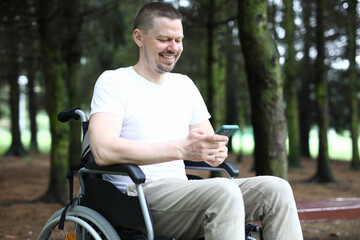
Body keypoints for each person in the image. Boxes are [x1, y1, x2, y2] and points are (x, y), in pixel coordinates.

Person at [89, 2, 303, 240]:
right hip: (136, 196)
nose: (173, 48)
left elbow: (206, 143)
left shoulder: (184, 85)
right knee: (223, 191)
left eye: (178, 40)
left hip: (183, 191)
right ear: (139, 37)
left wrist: (214, 151)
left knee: (277, 189)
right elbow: (103, 150)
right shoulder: (114, 82)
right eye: (164, 39)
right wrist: (181, 148)